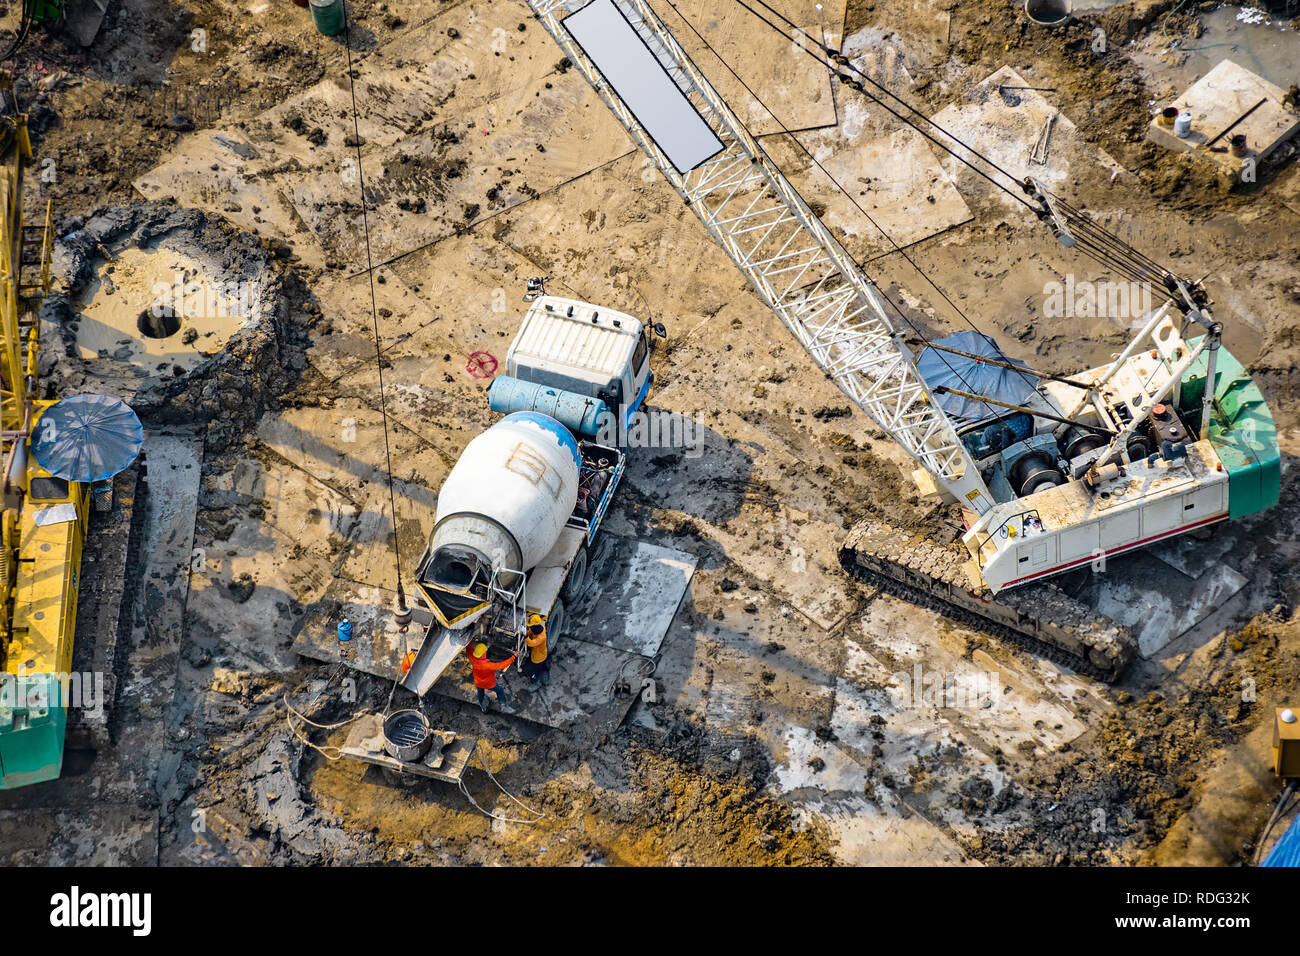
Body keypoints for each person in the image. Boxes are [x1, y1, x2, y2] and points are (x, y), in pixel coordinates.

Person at [466, 642, 514, 713]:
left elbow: (468, 650)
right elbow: (502, 665)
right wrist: (513, 657)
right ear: (483, 655)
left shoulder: (472, 659)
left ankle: (483, 705)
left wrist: (470, 641)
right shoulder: (489, 665)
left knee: (480, 692)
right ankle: (503, 706)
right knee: (500, 690)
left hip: (478, 682)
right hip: (489, 684)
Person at [524, 613, 551, 688]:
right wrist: (526, 632)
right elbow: (531, 631)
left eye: (532, 626)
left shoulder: (541, 638)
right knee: (542, 665)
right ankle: (545, 669)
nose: (531, 628)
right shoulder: (540, 627)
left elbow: (531, 643)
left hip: (538, 657)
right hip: (542, 653)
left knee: (534, 670)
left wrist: (526, 637)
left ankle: (535, 681)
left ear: (535, 626)